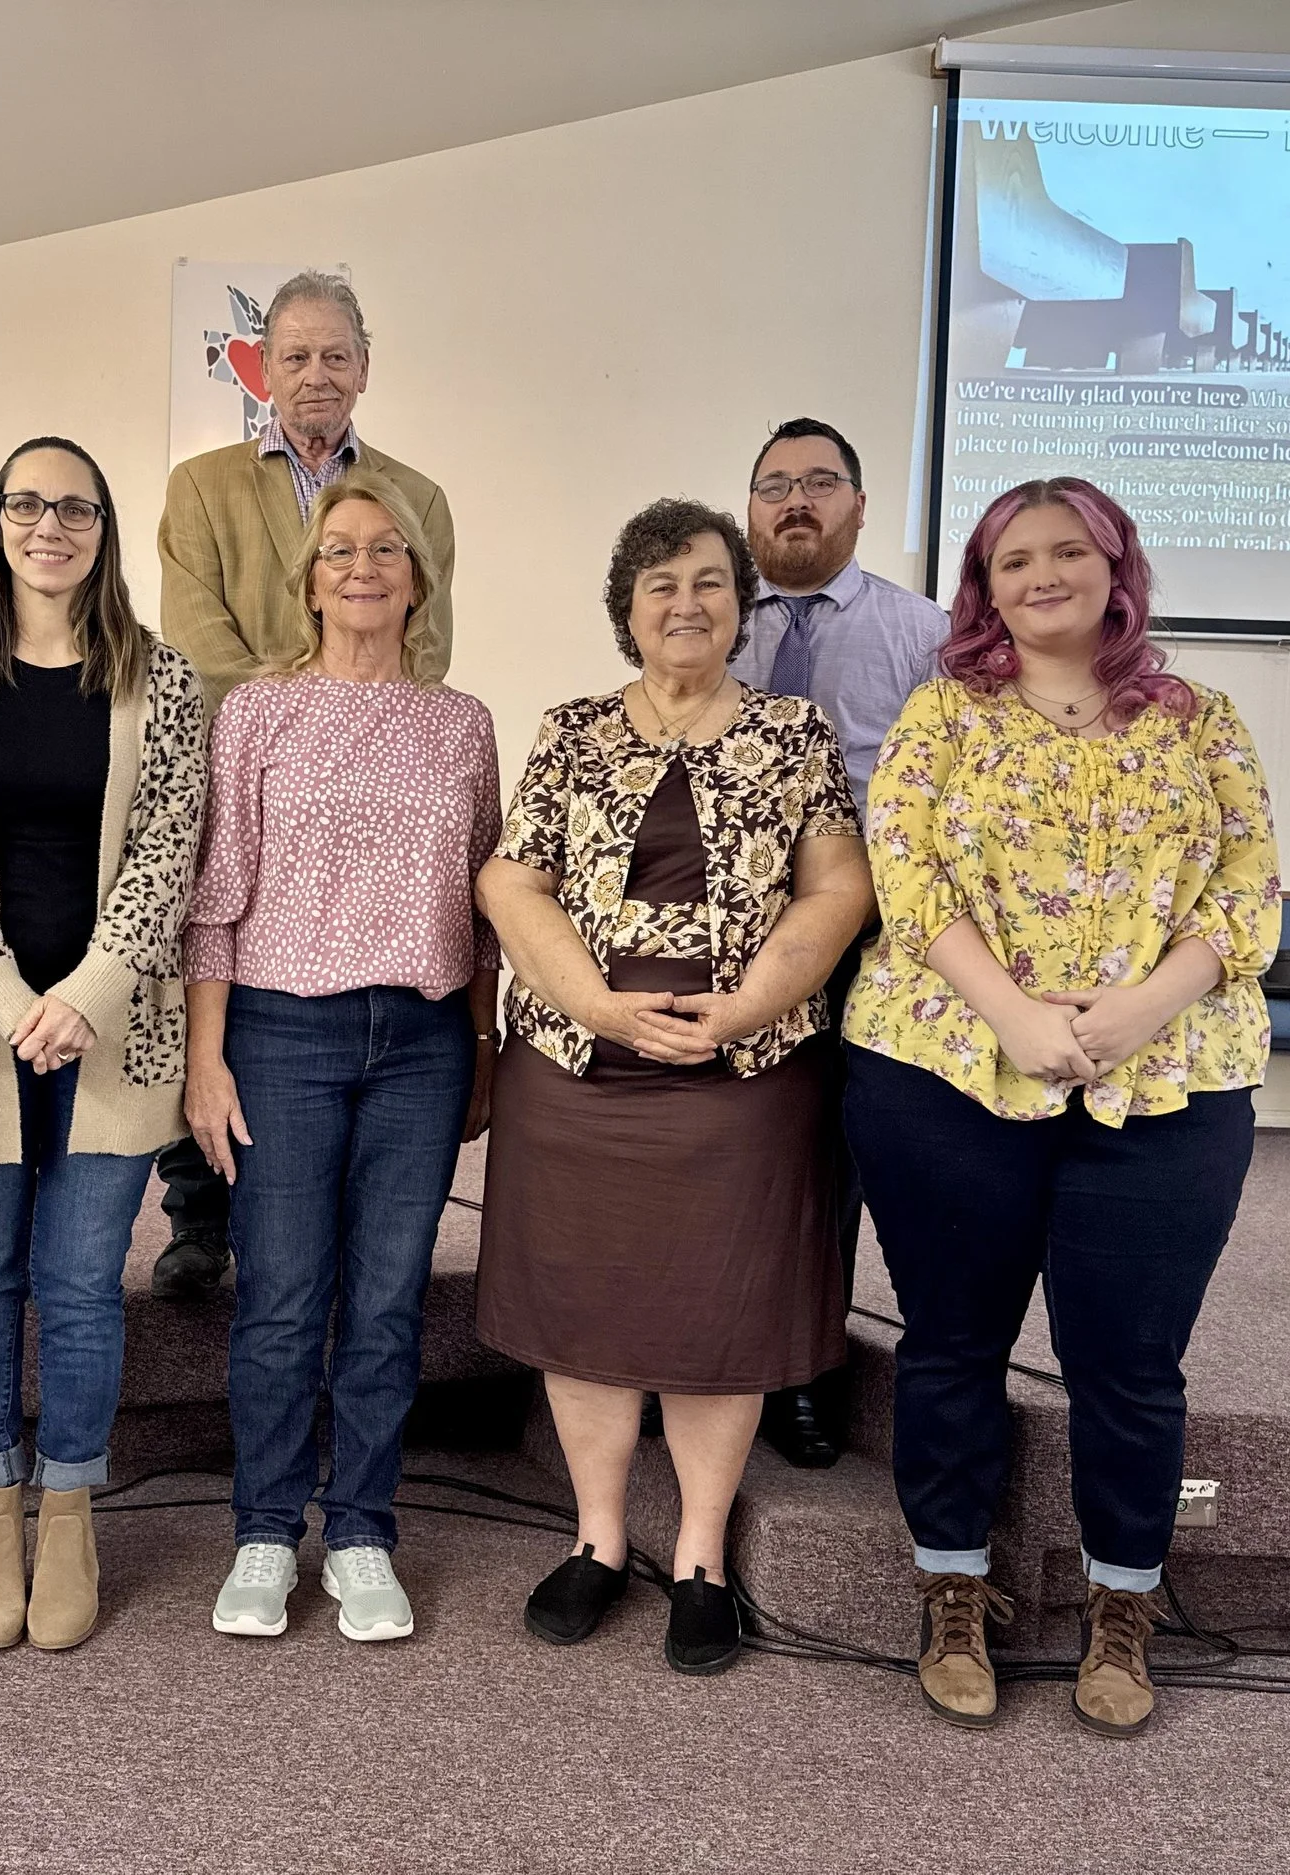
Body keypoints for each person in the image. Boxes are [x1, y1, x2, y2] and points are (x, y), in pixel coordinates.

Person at [842, 475, 1279, 1738]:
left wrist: (1141, 1009)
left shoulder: (1200, 719)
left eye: (1067, 552)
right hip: (949, 1071)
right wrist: (1020, 1020)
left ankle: (1122, 1611)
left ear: (1113, 566)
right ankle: (953, 1594)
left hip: (1170, 1081)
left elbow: (1247, 896)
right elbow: (907, 877)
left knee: (1129, 1368)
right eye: (1012, 558)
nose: (1042, 576)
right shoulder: (942, 714)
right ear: (984, 584)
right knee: (951, 1346)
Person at [475, 498, 873, 1676]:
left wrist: (743, 1008)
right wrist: (594, 1005)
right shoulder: (573, 729)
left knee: (722, 1309)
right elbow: (511, 882)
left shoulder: (795, 734)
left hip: (742, 1068)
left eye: (707, 581)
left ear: (741, 605)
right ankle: (598, 1541)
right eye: (659, 586)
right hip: (576, 1065)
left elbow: (837, 889)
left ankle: (699, 1553)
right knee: (586, 1311)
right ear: (625, 610)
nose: (684, 603)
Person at [0, 437, 205, 1654]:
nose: (48, 525)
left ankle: (69, 1506)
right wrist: (15, 1001)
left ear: (104, 527)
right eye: (26, 504)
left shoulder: (160, 680)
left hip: (115, 1030)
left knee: (77, 1282)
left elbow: (170, 851)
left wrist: (92, 990)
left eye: (74, 506)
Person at [183, 469, 498, 1646]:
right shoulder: (257, 713)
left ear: (419, 579)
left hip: (419, 1039)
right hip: (281, 1031)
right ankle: (266, 1530)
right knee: (278, 1299)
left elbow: (478, 905)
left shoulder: (462, 723)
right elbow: (213, 901)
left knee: (383, 1301)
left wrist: (481, 1048)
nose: (361, 566)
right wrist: (205, 1062)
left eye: (386, 550)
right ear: (308, 583)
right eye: (338, 551)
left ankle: (361, 1530)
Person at [149, 270, 457, 1302]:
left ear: (363, 368)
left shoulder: (420, 497)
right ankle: (199, 1214)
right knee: (218, 960)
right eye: (293, 356)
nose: (314, 374)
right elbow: (197, 647)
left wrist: (351, 703)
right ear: (261, 368)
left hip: (370, 780)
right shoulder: (201, 487)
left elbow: (429, 646)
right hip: (233, 767)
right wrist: (311, 700)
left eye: (335, 355)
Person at [735, 418, 948, 1470]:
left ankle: (806, 1368)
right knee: (730, 1151)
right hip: (724, 933)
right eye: (773, 484)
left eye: (820, 481)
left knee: (834, 1162)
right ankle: (697, 1349)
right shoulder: (710, 621)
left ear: (860, 507)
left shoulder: (924, 635)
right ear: (748, 513)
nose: (795, 500)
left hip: (866, 938)